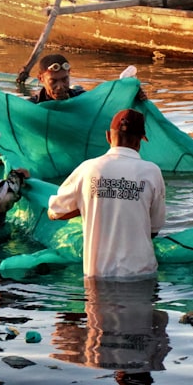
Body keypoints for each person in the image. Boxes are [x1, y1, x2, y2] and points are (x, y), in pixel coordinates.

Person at [47, 109, 166, 279]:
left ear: (108, 137)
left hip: (97, 275)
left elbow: (55, 211)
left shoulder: (88, 169)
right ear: (140, 141)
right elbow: (154, 228)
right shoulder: (151, 171)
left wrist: (85, 205)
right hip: (141, 274)